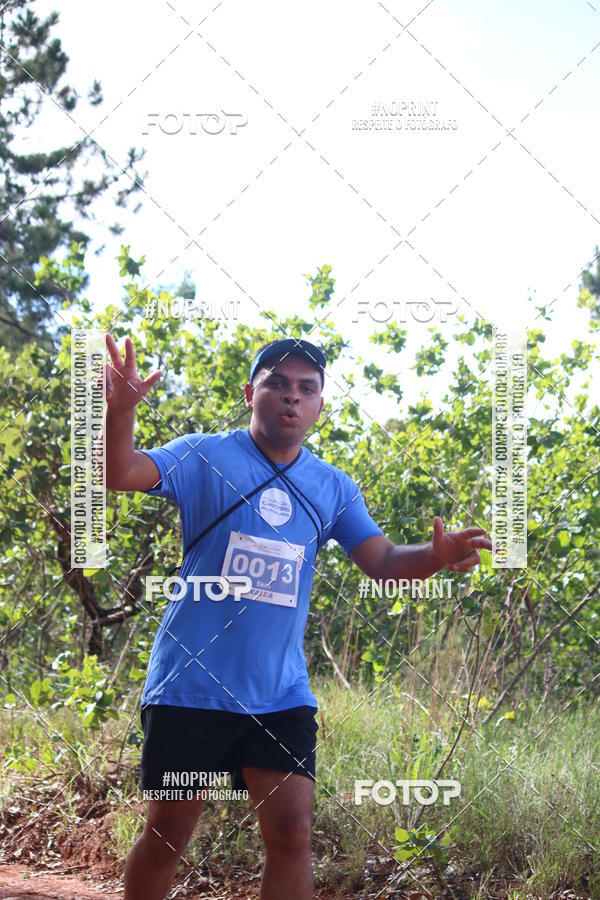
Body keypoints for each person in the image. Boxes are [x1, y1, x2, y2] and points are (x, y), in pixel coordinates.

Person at [104, 332, 492, 900]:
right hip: (192, 689)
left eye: (306, 389)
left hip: (280, 695)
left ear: (320, 406)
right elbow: (121, 472)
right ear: (250, 394)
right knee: (168, 833)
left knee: (293, 833)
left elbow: (382, 560)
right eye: (277, 384)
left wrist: (434, 557)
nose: (291, 397)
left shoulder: (331, 486)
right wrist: (120, 412)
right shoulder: (204, 456)